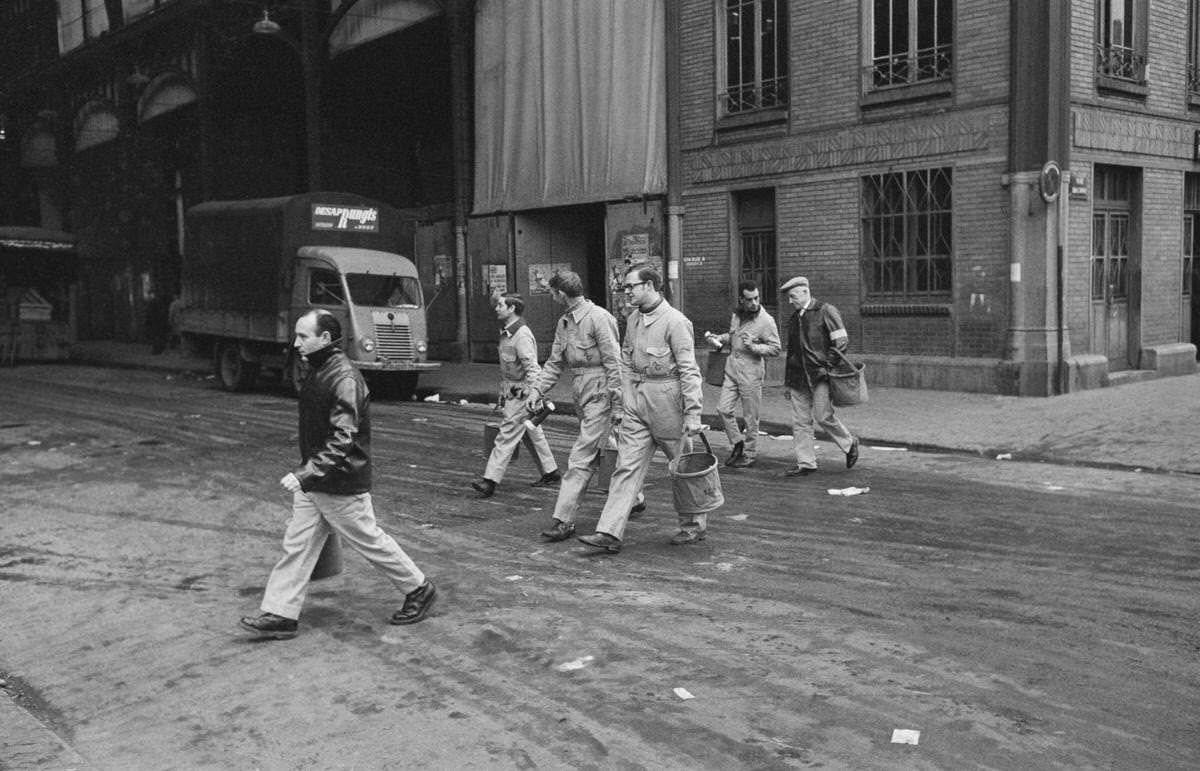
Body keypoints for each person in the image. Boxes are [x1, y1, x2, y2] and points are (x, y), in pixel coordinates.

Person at [240, 309, 436, 639]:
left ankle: (419, 588)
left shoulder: (343, 378)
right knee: (297, 545)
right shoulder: (324, 370)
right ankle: (279, 613)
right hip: (321, 480)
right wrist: (310, 474)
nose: (296, 343)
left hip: (338, 481)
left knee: (369, 540)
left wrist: (307, 473)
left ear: (325, 339)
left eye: (303, 336)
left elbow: (343, 437)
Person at [577, 265, 705, 553]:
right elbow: (624, 359)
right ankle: (609, 533)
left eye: (631, 286)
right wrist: (620, 402)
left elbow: (690, 370)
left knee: (682, 467)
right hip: (636, 399)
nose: (627, 291)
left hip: (668, 401)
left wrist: (693, 413)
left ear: (649, 286)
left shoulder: (676, 322)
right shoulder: (634, 318)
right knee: (625, 466)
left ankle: (693, 525)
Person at [525, 271, 638, 542]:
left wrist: (618, 403)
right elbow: (554, 363)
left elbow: (614, 362)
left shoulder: (599, 318)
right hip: (582, 391)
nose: (553, 298)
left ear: (561, 293)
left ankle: (564, 520)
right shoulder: (565, 323)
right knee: (606, 446)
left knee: (581, 456)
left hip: (601, 391)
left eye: (553, 293)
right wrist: (537, 390)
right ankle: (636, 498)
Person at [472, 293, 560, 497]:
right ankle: (551, 471)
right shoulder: (508, 333)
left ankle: (490, 480)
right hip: (514, 393)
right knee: (531, 432)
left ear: (512, 309)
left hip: (522, 396)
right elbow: (509, 371)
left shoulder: (521, 335)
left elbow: (533, 369)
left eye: (501, 305)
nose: (496, 308)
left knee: (506, 435)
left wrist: (533, 395)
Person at [780, 276, 859, 476]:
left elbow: (841, 342)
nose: (790, 301)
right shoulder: (794, 318)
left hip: (819, 376)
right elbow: (792, 353)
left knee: (823, 416)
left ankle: (849, 443)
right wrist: (788, 383)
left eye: (792, 296)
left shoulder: (826, 311)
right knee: (800, 422)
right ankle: (806, 463)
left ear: (805, 292)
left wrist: (828, 366)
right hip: (798, 378)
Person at [704, 281, 781, 468]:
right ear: (741, 300)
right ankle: (738, 442)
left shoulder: (766, 321)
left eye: (756, 298)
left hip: (751, 372)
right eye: (749, 299)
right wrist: (718, 338)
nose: (754, 303)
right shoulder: (737, 315)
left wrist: (754, 346)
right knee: (723, 409)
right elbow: (733, 336)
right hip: (732, 370)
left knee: (750, 417)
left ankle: (749, 454)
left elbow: (776, 348)